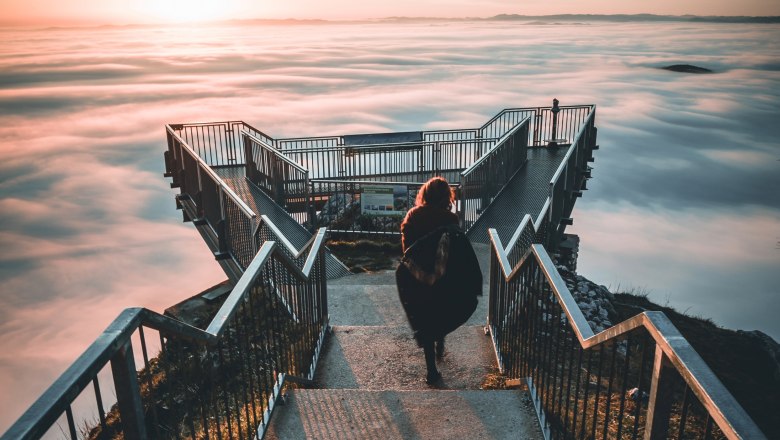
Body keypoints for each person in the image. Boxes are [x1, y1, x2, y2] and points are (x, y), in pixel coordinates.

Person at [396, 176, 482, 385]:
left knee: (425, 315)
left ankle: (431, 371)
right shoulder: (450, 220)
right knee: (441, 309)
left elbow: (406, 249)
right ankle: (440, 336)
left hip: (416, 276)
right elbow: (456, 252)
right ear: (446, 197)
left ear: (424, 194)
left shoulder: (412, 215)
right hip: (443, 276)